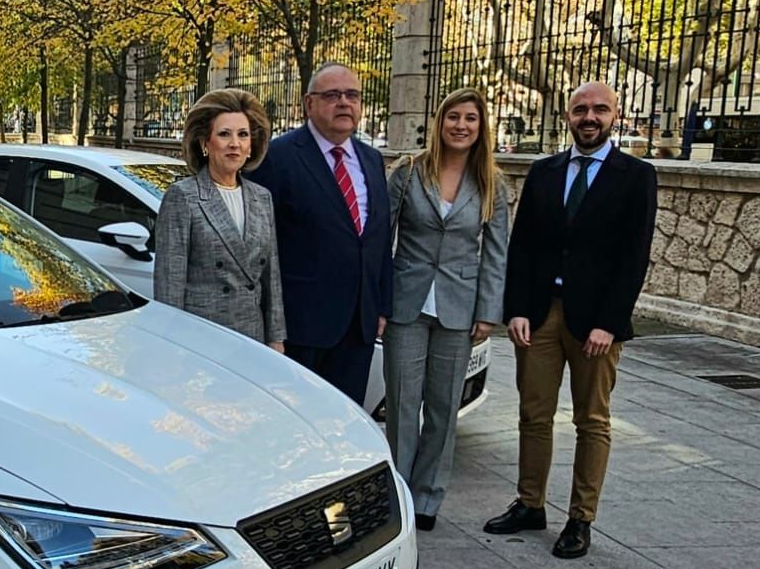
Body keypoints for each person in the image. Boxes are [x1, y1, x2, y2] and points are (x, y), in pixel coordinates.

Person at [484, 81, 658, 558]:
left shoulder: (636, 175)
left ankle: (581, 518)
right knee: (533, 414)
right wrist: (515, 308)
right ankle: (530, 503)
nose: (589, 117)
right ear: (567, 115)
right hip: (539, 315)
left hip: (595, 324)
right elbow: (522, 246)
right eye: (581, 109)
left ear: (614, 116)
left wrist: (611, 321)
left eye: (599, 110)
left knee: (591, 420)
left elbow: (633, 257)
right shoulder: (544, 172)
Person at [384, 88, 510, 531]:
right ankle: (395, 494)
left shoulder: (493, 182)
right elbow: (383, 240)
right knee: (402, 402)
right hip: (407, 302)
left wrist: (488, 311)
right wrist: (381, 301)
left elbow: (496, 254)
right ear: (439, 122)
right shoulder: (409, 172)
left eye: (470, 119)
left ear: (481, 127)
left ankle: (427, 499)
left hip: (459, 307)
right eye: (453, 116)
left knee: (443, 408)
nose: (461, 125)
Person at [247, 62, 391, 405]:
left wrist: (380, 305)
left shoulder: (371, 160)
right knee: (296, 425)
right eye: (332, 95)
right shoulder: (277, 158)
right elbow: (258, 245)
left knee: (345, 422)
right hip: (301, 326)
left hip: (358, 325)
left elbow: (379, 239)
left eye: (352, 95)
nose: (344, 103)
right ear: (309, 104)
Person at [153, 89, 286, 349]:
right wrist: (170, 344)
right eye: (224, 134)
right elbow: (170, 282)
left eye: (243, 135)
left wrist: (276, 337)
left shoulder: (262, 198)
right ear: (205, 143)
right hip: (202, 338)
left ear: (251, 145)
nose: (234, 143)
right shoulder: (183, 196)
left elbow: (271, 275)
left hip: (252, 336)